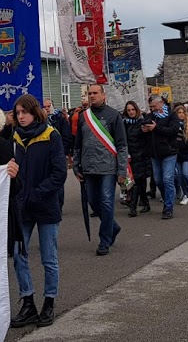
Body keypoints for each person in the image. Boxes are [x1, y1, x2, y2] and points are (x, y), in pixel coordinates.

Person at [9, 94, 66, 329]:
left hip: (45, 205)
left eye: (25, 112)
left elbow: (59, 173)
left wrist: (37, 193)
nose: (21, 117)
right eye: (18, 113)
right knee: (18, 255)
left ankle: (49, 302)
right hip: (21, 206)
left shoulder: (51, 135)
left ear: (35, 112)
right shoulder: (13, 138)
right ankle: (28, 301)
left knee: (49, 258)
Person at [73, 84, 129, 254]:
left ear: (104, 95)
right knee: (93, 203)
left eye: (95, 93)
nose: (92, 96)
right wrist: (76, 167)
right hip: (89, 168)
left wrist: (122, 171)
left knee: (106, 202)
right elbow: (78, 145)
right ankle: (113, 227)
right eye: (89, 93)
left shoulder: (114, 116)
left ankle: (104, 240)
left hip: (108, 168)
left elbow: (121, 145)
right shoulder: (84, 117)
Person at [145, 94, 180, 219]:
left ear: (160, 103)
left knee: (167, 179)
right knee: (158, 180)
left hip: (169, 152)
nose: (152, 109)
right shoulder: (150, 116)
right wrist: (144, 129)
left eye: (154, 106)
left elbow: (174, 130)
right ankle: (167, 198)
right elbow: (144, 130)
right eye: (151, 107)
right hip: (155, 153)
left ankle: (168, 207)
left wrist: (156, 128)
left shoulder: (171, 115)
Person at [121, 101, 152, 217]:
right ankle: (144, 202)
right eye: (129, 110)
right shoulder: (123, 123)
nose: (131, 112)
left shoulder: (142, 123)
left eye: (133, 110)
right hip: (129, 156)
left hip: (141, 156)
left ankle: (133, 207)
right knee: (135, 182)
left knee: (138, 182)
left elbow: (147, 135)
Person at [173, 103, 188, 206]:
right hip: (177, 154)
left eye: (183, 112)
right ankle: (185, 194)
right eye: (179, 113)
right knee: (179, 175)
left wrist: (187, 144)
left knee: (186, 173)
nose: (181, 115)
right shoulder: (174, 126)